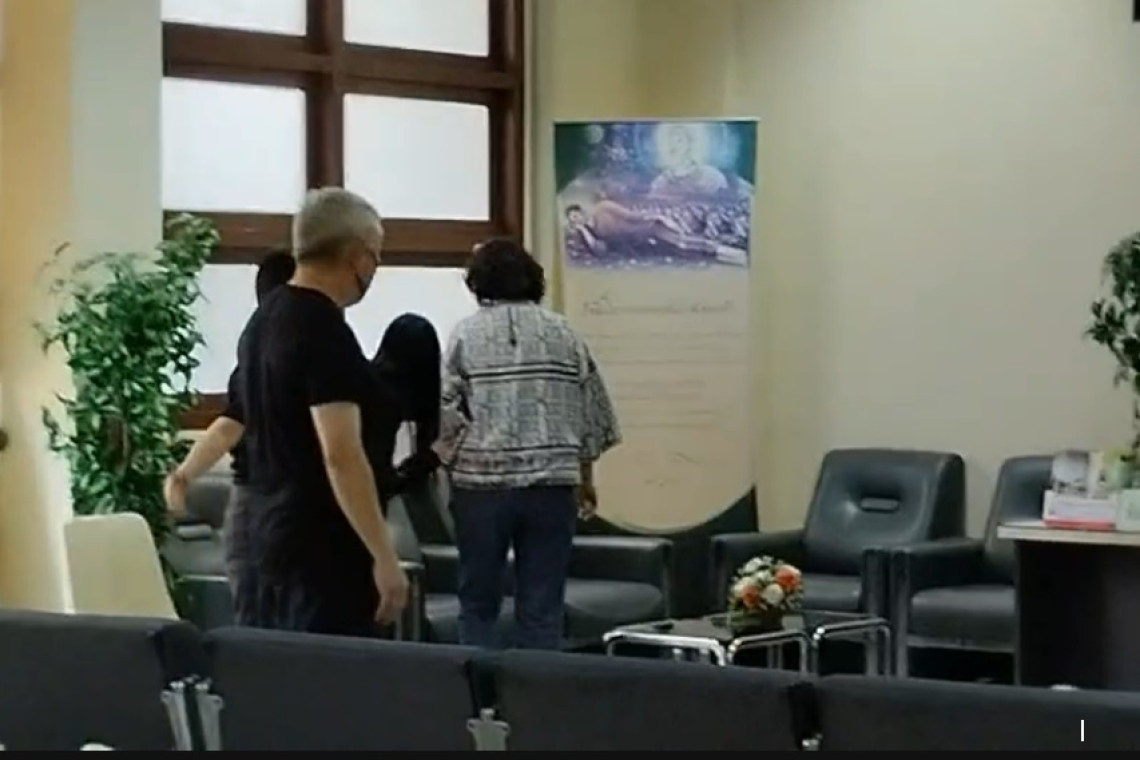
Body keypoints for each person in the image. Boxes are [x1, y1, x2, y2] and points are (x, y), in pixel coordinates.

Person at [173, 187, 408, 637]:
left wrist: (185, 473)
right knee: (329, 669)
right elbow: (341, 454)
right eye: (376, 257)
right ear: (357, 256)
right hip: (319, 544)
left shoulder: (262, 322)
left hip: (265, 533)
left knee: (272, 665)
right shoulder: (322, 328)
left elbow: (237, 420)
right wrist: (383, 554)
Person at [438, 239, 621, 650]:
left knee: (478, 602)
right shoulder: (565, 332)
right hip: (551, 487)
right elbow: (591, 412)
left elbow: (446, 413)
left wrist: (449, 464)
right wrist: (585, 478)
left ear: (478, 282)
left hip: (482, 488)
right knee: (543, 606)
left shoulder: (465, 335)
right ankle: (539, 688)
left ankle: (477, 686)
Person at [164, 249, 295, 614]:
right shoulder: (281, 352)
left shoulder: (259, 353)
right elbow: (230, 426)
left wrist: (183, 475)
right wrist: (183, 475)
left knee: (258, 613)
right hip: (275, 504)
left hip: (261, 504)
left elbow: (229, 426)